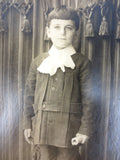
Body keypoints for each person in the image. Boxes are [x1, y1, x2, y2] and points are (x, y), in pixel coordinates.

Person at [23, 6, 94, 160]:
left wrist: (85, 130)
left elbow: (89, 100)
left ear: (75, 31)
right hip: (42, 127)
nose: (62, 33)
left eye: (68, 28)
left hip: (69, 129)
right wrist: (27, 124)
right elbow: (29, 96)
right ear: (48, 31)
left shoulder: (82, 63)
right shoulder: (39, 62)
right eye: (57, 27)